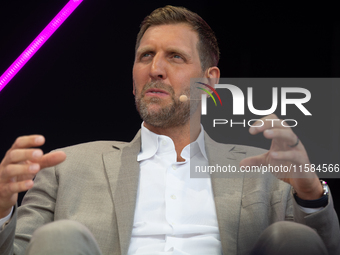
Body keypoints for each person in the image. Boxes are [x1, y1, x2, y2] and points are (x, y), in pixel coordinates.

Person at [0, 5, 339, 255]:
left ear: (210, 82)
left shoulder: (265, 166)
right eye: (145, 56)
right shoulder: (64, 166)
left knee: (293, 239)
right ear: (133, 82)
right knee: (61, 237)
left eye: (175, 57)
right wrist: (1, 207)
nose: (155, 69)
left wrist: (311, 193)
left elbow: (323, 248)